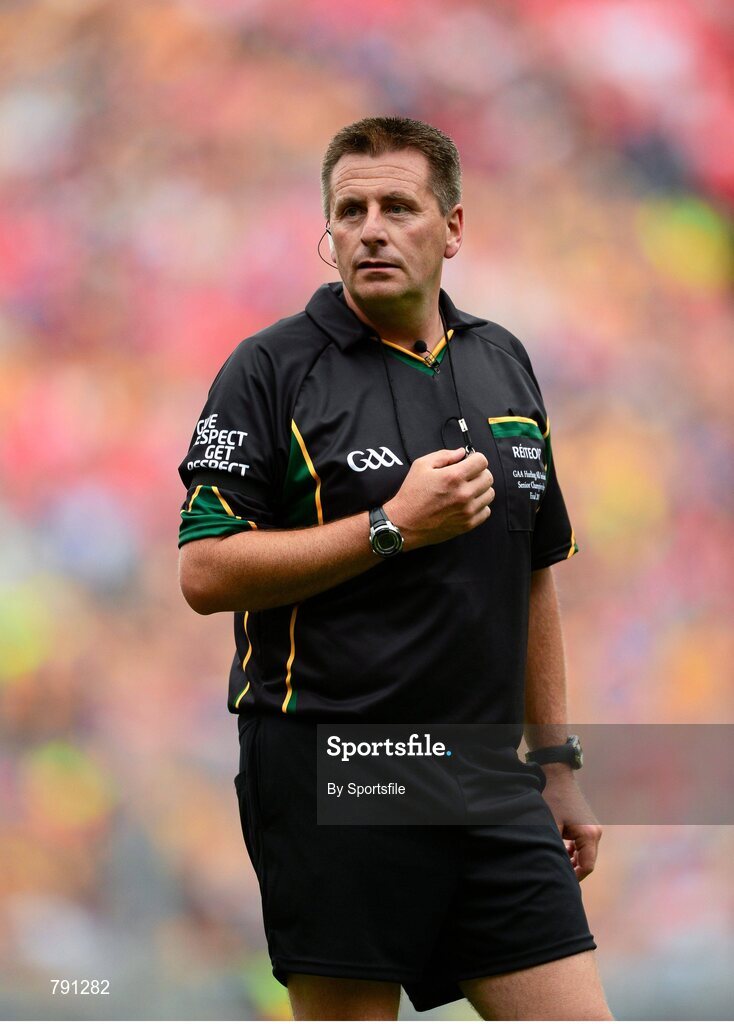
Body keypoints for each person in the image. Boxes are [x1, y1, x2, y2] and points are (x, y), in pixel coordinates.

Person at [178, 116, 613, 1021]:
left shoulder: (503, 361)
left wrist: (558, 761)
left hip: (489, 779)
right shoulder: (268, 370)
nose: (371, 227)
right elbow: (205, 571)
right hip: (338, 768)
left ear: (452, 228)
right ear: (326, 232)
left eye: (398, 206)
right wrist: (389, 526)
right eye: (350, 209)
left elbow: (535, 574)